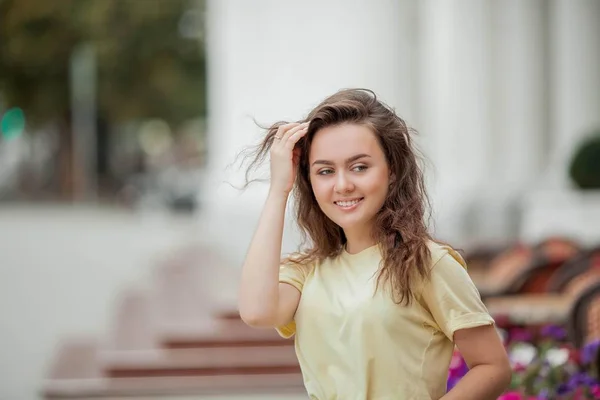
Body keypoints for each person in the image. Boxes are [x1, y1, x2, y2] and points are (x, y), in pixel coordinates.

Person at [238, 88, 511, 399]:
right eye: (325, 171)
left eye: (360, 167)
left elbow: (492, 366)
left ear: (392, 171)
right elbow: (257, 312)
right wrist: (278, 190)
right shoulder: (306, 271)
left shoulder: (426, 263)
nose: (343, 185)